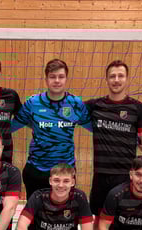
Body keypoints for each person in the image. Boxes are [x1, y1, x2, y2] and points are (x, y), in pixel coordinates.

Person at [85, 60, 142, 230]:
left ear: (127, 78)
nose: (116, 80)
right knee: (99, 220)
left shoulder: (137, 108)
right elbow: (68, 109)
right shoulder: (94, 105)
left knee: (123, 222)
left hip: (126, 176)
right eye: (112, 76)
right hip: (101, 175)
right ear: (107, 79)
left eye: (120, 76)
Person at [10, 59, 91, 200]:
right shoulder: (33, 103)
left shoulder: (75, 104)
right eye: (52, 77)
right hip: (37, 169)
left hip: (65, 171)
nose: (57, 81)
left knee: (64, 211)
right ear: (46, 79)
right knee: (35, 211)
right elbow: (11, 127)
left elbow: (95, 128)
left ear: (66, 79)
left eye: (61, 76)